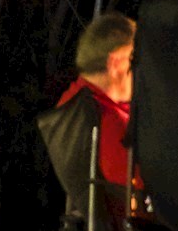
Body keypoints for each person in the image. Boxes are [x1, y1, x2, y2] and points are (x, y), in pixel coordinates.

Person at [53, 11, 137, 188]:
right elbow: (139, 187)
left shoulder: (74, 100)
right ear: (116, 63)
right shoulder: (101, 116)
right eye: (136, 60)